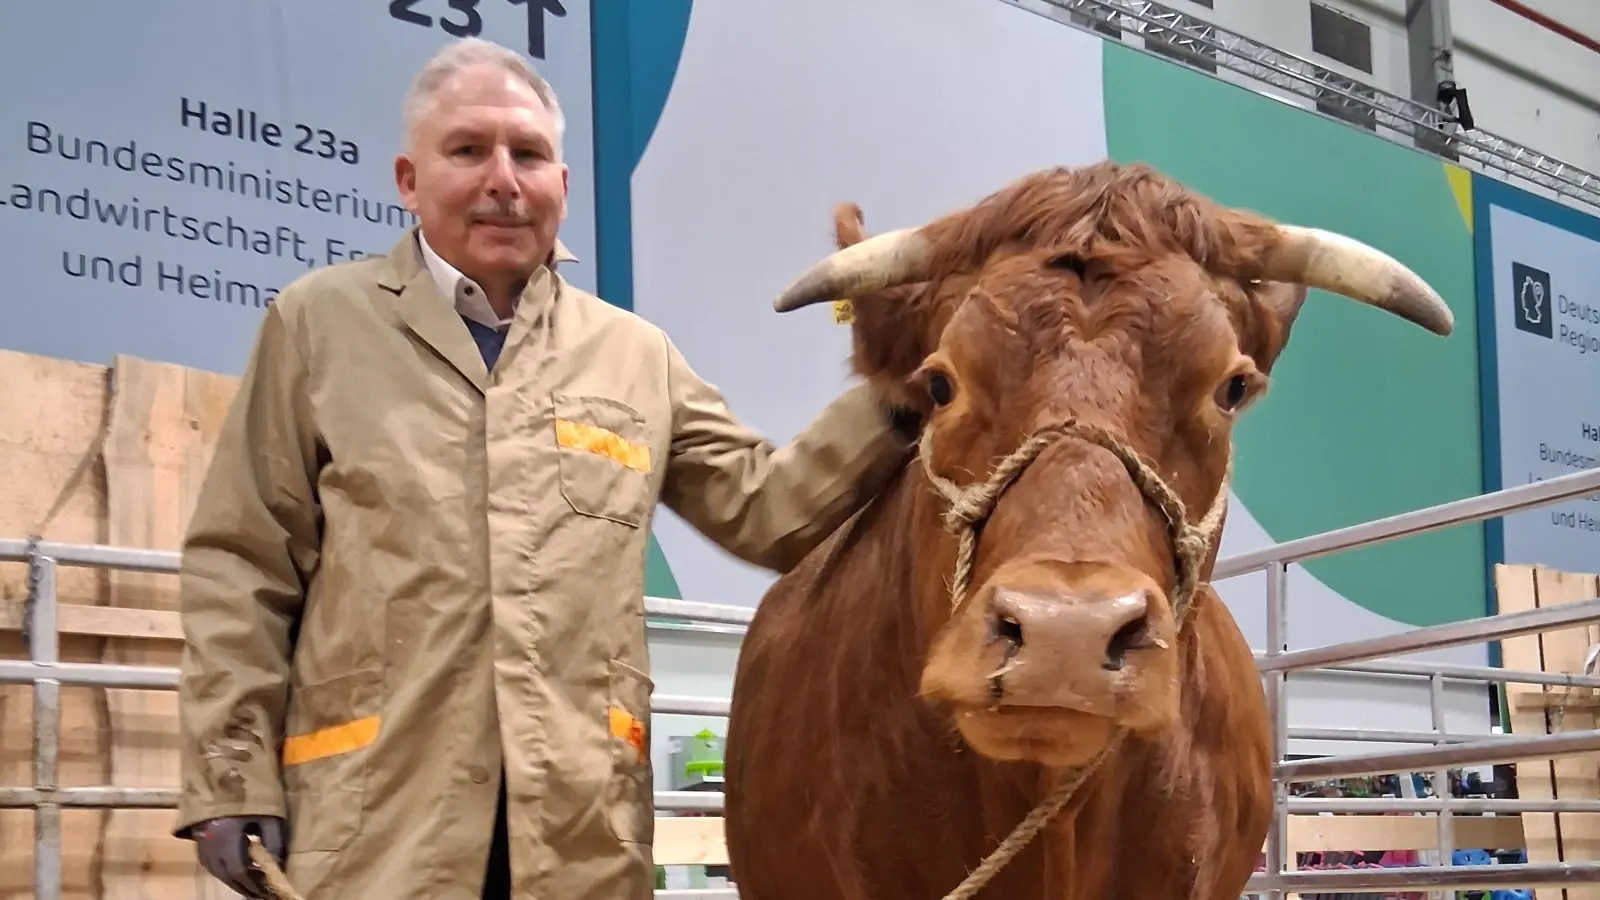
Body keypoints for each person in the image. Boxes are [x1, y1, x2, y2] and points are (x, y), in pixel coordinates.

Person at [170, 36, 917, 900]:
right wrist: (230, 775)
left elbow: (765, 510)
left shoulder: (634, 356)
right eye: (467, 150)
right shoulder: (318, 326)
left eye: (527, 155)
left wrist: (898, 394)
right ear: (408, 179)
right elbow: (243, 562)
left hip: (577, 836)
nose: (503, 179)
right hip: (377, 827)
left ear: (561, 183)